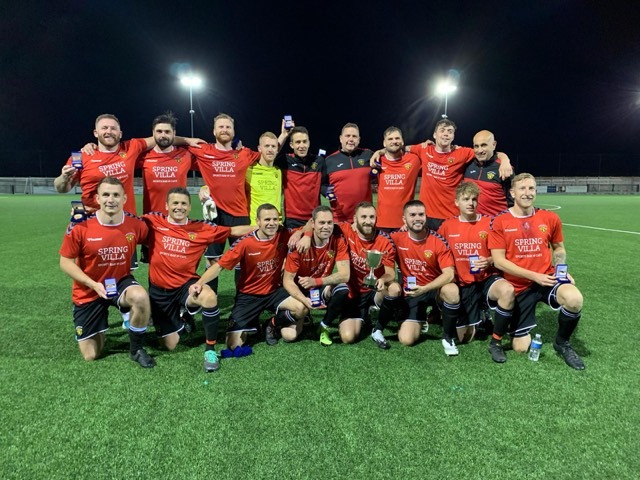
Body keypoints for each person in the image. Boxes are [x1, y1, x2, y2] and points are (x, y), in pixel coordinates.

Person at [143, 187, 254, 372]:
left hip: (186, 287)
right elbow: (128, 224)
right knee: (170, 344)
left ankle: (210, 349)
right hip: (159, 292)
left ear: (189, 206)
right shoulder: (153, 221)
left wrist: (264, 227)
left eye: (183, 203)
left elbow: (233, 230)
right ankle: (181, 319)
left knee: (209, 297)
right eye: (175, 203)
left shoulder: (201, 228)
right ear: (167, 206)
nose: (179, 207)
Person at [488, 173, 585, 369]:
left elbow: (558, 248)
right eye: (522, 189)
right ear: (512, 193)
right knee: (520, 348)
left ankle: (562, 343)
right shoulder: (500, 221)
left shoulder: (549, 218)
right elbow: (498, 261)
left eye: (531, 188)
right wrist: (534, 276)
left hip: (547, 279)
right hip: (519, 286)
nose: (527, 193)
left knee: (574, 299)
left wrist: (560, 270)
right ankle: (509, 325)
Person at [58, 177, 155, 367]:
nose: (111, 200)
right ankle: (97, 325)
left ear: (124, 199)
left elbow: (156, 237)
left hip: (120, 282)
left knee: (140, 297)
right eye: (106, 195)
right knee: (91, 354)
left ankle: (136, 349)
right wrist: (93, 284)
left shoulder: (135, 225)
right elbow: (65, 262)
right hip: (89, 289)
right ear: (97, 199)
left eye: (116, 195)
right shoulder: (80, 225)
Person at [193, 203, 307, 355]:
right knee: (233, 345)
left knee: (301, 308)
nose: (272, 223)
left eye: (275, 219)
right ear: (258, 221)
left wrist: (303, 235)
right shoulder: (245, 243)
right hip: (248, 296)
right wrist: (199, 283)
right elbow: (219, 266)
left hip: (274, 292)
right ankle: (250, 321)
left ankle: (271, 323)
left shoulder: (283, 233)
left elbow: (309, 225)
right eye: (267, 220)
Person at [375, 119, 512, 231]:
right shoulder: (424, 149)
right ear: (435, 135)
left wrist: (505, 159)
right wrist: (380, 152)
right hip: (426, 216)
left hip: (451, 216)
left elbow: (486, 152)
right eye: (442, 130)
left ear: (453, 136)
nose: (446, 134)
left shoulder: (463, 153)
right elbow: (398, 147)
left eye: (450, 131)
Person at [438, 182, 516, 350]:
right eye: (466, 199)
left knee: (507, 290)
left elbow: (505, 252)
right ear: (456, 202)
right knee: (464, 337)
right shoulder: (447, 226)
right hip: (462, 282)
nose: (470, 203)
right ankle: (480, 312)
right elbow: (436, 249)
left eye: (474, 199)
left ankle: (495, 335)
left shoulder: (489, 223)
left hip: (486, 278)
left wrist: (489, 260)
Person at [389, 200, 461, 354]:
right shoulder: (396, 237)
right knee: (406, 339)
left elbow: (449, 274)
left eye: (421, 214)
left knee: (452, 290)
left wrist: (426, 288)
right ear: (404, 219)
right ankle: (419, 319)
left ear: (426, 217)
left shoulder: (438, 241)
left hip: (434, 289)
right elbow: (376, 240)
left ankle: (448, 337)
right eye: (412, 215)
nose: (417, 218)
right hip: (413, 291)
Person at [282, 205, 350, 346]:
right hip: (298, 291)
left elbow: (345, 275)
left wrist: (316, 281)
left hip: (317, 287)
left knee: (342, 288)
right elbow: (287, 281)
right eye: (321, 223)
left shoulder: (338, 239)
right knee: (290, 335)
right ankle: (295, 315)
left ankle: (324, 325)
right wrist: (303, 300)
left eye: (329, 222)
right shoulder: (299, 242)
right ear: (312, 223)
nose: (326, 227)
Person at [335, 201, 398, 349]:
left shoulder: (385, 240)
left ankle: (378, 327)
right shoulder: (346, 230)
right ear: (355, 219)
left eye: (371, 217)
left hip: (375, 291)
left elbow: (390, 272)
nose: (368, 221)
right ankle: (365, 316)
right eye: (363, 217)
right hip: (353, 292)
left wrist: (382, 279)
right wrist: (305, 234)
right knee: (348, 337)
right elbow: (319, 224)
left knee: (394, 288)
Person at [140, 112, 194, 216]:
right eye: (159, 131)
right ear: (153, 133)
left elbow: (209, 165)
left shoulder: (186, 155)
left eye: (167, 132)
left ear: (174, 133)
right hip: (152, 219)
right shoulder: (143, 156)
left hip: (179, 218)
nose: (163, 135)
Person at [276, 126, 326, 228]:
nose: (302, 145)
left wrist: (334, 195)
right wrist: (284, 135)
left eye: (304, 142)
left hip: (314, 217)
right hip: (292, 219)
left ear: (309, 143)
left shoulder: (319, 161)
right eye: (298, 142)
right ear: (291, 145)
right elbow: (270, 153)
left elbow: (325, 184)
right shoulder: (285, 160)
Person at [323, 123, 374, 222]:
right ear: (341, 139)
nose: (351, 139)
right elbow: (322, 184)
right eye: (347, 136)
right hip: (340, 218)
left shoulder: (368, 155)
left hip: (365, 218)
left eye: (354, 136)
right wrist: (328, 192)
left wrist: (379, 152)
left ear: (359, 139)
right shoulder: (329, 160)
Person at [373, 127, 421, 232]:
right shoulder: (378, 161)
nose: (394, 141)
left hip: (405, 223)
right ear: (384, 143)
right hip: (382, 222)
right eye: (390, 139)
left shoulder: (414, 160)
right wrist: (379, 152)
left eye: (397, 138)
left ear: (402, 141)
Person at [464, 130, 514, 215]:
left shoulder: (504, 168)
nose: (479, 150)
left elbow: (513, 202)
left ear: (493, 145)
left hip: (496, 221)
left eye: (484, 145)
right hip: (472, 221)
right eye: (476, 146)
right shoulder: (467, 164)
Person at [245, 132, 283, 225]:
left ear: (277, 149)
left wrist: (284, 134)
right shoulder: (248, 170)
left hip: (276, 226)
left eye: (273, 146)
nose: (270, 149)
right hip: (256, 226)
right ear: (259, 148)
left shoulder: (279, 171)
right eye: (266, 146)